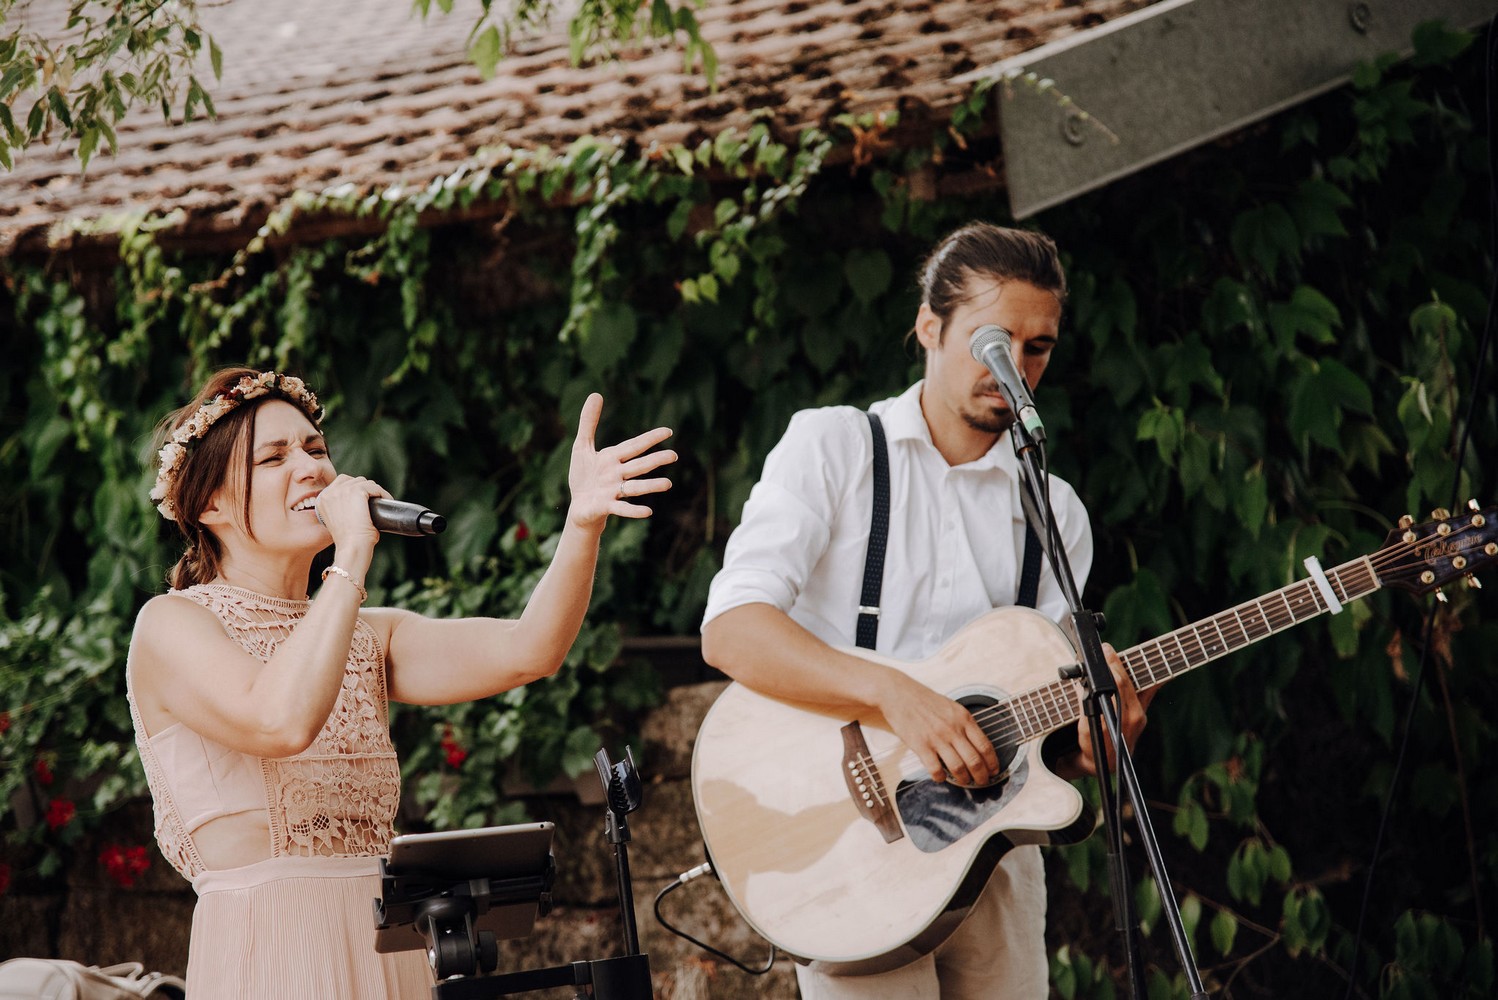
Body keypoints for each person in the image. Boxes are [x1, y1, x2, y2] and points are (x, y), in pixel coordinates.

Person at [700, 223, 1153, 999]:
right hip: (847, 849)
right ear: (929, 327)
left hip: (997, 861)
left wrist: (1097, 742)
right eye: (993, 341)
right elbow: (732, 630)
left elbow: (1055, 739)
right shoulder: (833, 449)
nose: (1015, 367)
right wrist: (894, 695)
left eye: (1037, 348)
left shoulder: (1054, 510)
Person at [126, 367, 675, 998]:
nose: (310, 469)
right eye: (274, 458)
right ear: (208, 505)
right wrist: (352, 556)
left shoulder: (366, 632)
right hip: (267, 950)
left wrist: (582, 525)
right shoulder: (171, 625)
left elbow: (530, 651)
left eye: (316, 449)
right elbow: (279, 721)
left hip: (391, 950)